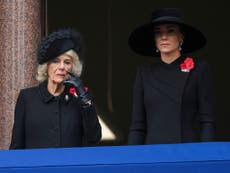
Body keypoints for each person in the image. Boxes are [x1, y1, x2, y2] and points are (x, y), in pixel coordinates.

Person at [128, 8, 215, 145]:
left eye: (170, 31)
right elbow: (137, 127)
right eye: (158, 32)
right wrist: (132, 161)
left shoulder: (199, 69)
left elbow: (207, 121)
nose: (164, 36)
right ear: (154, 39)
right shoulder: (144, 73)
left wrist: (206, 156)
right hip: (153, 154)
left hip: (187, 153)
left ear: (181, 37)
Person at [10, 28, 101, 149]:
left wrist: (85, 100)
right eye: (56, 61)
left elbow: (94, 140)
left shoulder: (80, 99)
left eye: (67, 62)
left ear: (72, 68)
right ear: (47, 66)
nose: (62, 67)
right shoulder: (27, 98)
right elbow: (16, 146)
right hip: (36, 167)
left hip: (70, 167)